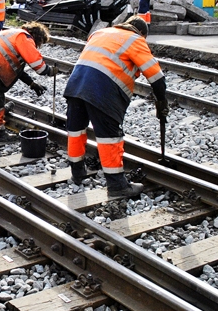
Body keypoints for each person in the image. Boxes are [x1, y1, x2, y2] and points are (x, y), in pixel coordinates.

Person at [63, 16, 167, 195]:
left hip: (75, 85)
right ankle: (117, 185)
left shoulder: (100, 32)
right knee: (109, 137)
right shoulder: (136, 39)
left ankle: (77, 173)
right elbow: (156, 78)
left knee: (76, 130)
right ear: (141, 33)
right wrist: (162, 102)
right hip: (102, 90)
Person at [0, 22, 57, 142]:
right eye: (40, 43)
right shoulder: (25, 39)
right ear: (37, 37)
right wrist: (51, 71)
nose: (38, 46)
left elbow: (16, 68)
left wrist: (32, 84)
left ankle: (1, 111)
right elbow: (39, 67)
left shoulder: (14, 34)